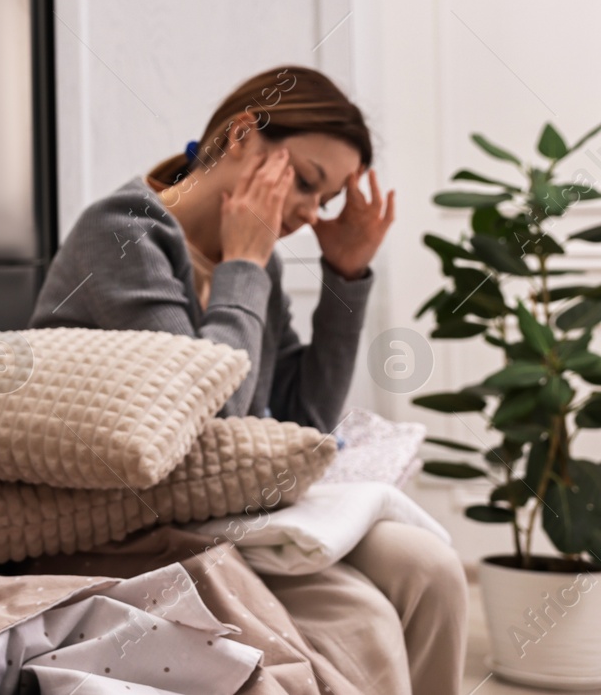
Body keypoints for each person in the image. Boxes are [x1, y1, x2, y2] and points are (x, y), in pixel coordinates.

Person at [29, 65, 468, 695]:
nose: (311, 213)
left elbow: (303, 421)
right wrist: (244, 264)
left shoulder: (250, 260)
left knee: (433, 570)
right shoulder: (123, 232)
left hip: (236, 509)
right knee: (363, 618)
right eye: (308, 183)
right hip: (133, 521)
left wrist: (344, 277)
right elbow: (202, 421)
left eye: (327, 200)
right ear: (241, 136)